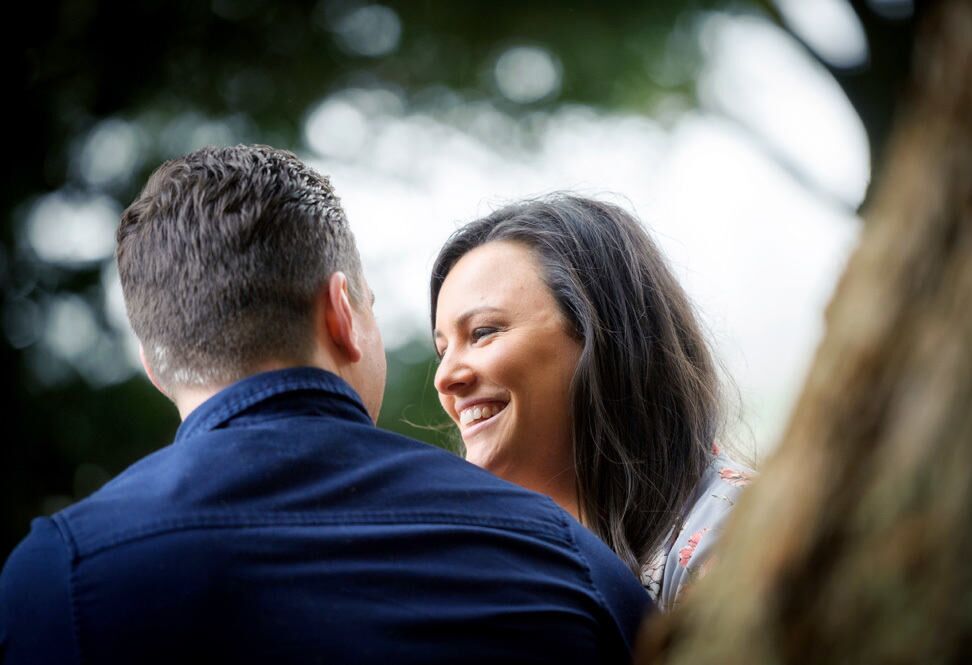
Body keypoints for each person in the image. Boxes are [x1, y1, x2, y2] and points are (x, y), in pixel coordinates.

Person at [0, 147, 650, 664]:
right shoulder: (567, 559)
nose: (449, 372)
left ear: (154, 363)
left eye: (481, 332)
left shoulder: (61, 576)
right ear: (343, 313)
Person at [430, 195, 754, 609]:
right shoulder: (482, 560)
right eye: (443, 351)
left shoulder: (733, 538)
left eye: (482, 332)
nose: (446, 378)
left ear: (601, 336)